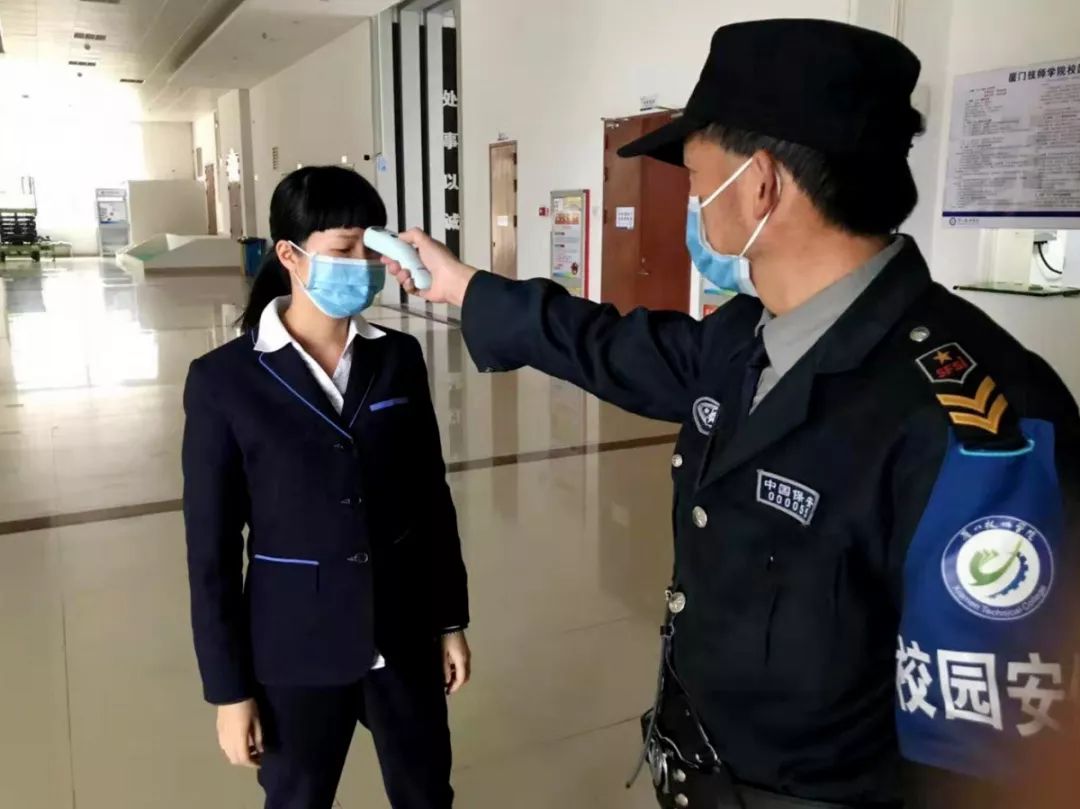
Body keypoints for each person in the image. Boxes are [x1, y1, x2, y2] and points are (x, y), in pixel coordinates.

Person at [384, 18, 1079, 809]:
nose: (690, 198)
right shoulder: (747, 335)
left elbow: (990, 761)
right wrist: (462, 286)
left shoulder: (978, 427)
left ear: (760, 185)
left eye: (692, 175)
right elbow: (610, 345)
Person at [182, 165, 470, 809]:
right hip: (295, 647)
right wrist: (230, 691)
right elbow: (211, 552)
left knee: (426, 791)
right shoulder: (224, 381)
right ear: (289, 255)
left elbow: (430, 499)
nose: (363, 266)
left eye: (371, 249)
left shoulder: (397, 357)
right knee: (298, 797)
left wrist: (449, 620)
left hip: (402, 632)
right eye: (345, 250)